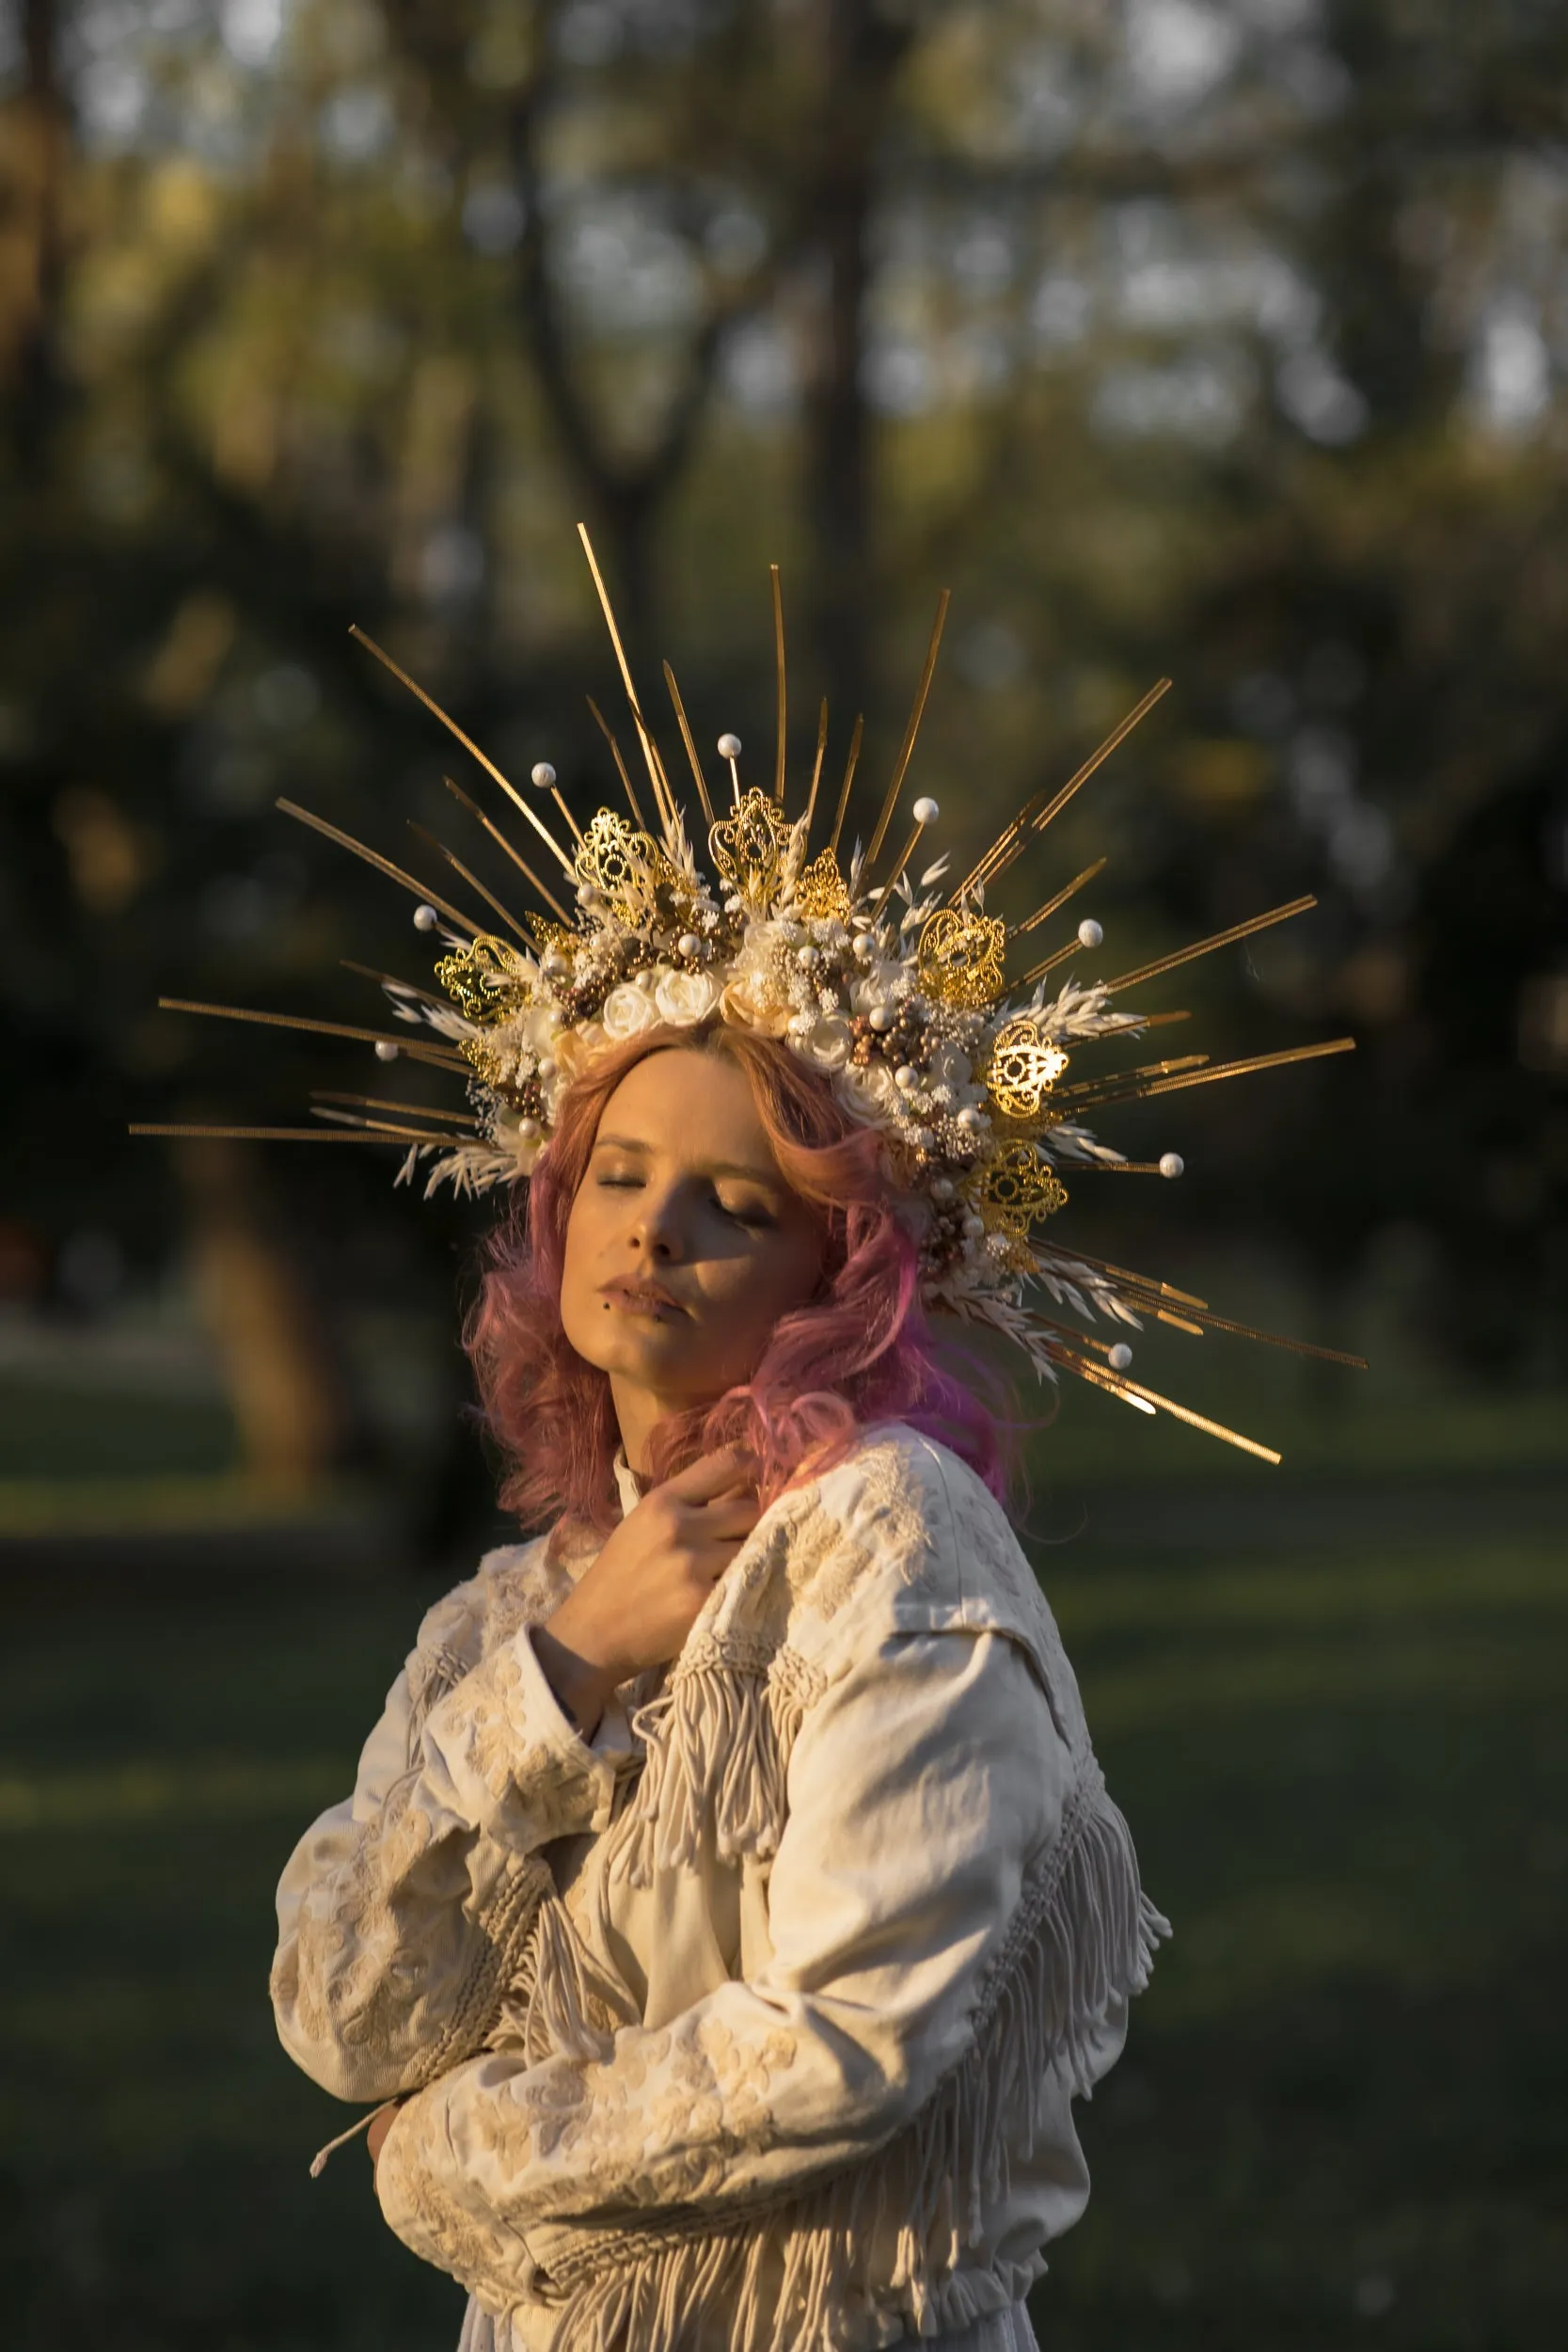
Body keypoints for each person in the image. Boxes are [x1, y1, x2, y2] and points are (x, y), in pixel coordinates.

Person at [269, 1017, 1168, 2352]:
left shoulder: (889, 1540)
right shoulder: (517, 1609)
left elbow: (848, 2043)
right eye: (619, 1176)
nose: (652, 1231)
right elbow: (346, 2017)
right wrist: (562, 1671)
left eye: (735, 1204)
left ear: (838, 1272)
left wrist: (450, 2155)